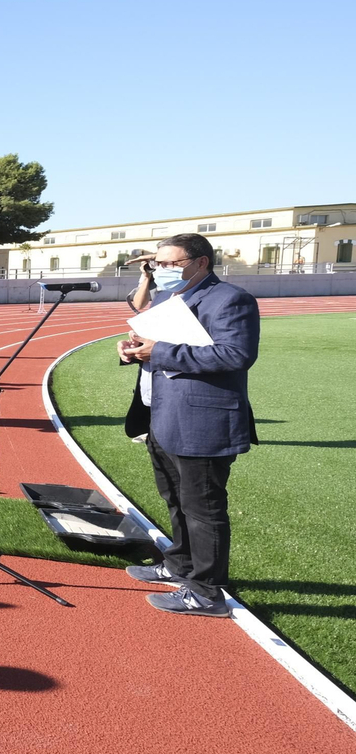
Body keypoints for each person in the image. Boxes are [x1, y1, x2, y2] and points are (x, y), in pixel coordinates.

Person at [119, 234, 260, 618]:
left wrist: (159, 351)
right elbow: (161, 348)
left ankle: (206, 593)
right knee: (176, 500)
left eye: (170, 264)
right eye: (158, 264)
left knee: (203, 509)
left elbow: (237, 355)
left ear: (200, 263)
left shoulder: (230, 299)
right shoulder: (169, 299)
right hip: (163, 415)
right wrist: (135, 351)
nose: (161, 271)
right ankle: (179, 564)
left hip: (203, 421)